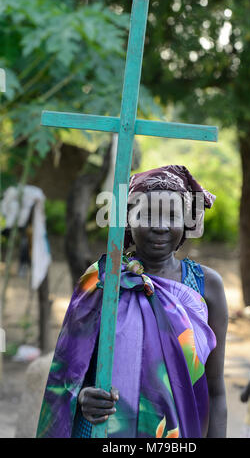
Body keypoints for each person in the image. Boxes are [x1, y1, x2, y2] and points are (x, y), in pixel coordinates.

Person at [36, 165, 228, 438]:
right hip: (103, 432)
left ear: (185, 221)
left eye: (172, 215)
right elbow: (68, 371)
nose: (160, 226)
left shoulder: (206, 286)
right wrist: (83, 397)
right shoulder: (102, 280)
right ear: (128, 219)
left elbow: (216, 389)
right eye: (147, 214)